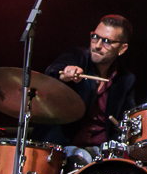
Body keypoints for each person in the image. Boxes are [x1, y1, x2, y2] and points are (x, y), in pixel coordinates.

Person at [39, 14, 137, 150]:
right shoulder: (77, 57)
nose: (97, 46)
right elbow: (53, 72)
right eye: (95, 37)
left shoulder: (125, 80)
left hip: (102, 155)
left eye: (107, 41)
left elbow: (126, 123)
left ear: (122, 49)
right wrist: (66, 74)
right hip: (64, 150)